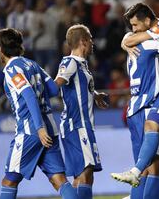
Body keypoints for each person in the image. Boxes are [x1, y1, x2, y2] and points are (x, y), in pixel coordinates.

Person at [111, 3, 159, 199]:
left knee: (151, 165)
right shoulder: (147, 39)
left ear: (147, 20)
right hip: (143, 106)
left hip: (147, 102)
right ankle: (135, 175)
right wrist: (129, 40)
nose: (133, 30)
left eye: (136, 25)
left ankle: (135, 176)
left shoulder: (151, 34)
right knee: (153, 165)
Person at [0, 28, 77, 199]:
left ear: (1, 49)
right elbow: (54, 89)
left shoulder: (12, 69)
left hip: (31, 130)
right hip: (50, 128)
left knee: (8, 181)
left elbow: (29, 95)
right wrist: (66, 71)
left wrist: (39, 128)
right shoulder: (33, 64)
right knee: (59, 181)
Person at [55, 24, 108, 199]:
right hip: (76, 125)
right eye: (91, 38)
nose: (93, 42)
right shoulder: (70, 62)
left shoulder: (82, 65)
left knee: (82, 176)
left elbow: (77, 88)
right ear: (83, 42)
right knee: (86, 172)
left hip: (83, 125)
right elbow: (57, 85)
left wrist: (95, 94)